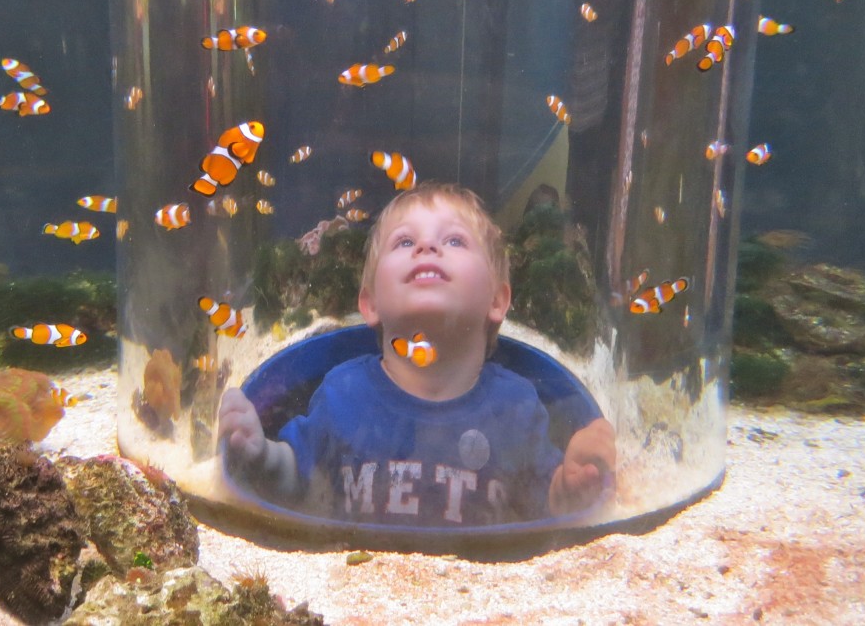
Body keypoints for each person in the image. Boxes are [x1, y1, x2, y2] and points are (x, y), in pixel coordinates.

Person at [218, 182, 616, 527]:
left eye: (455, 240)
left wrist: (570, 484)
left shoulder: (518, 408)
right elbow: (295, 479)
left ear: (498, 300)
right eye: (405, 242)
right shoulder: (341, 392)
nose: (427, 246)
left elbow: (544, 506)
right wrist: (258, 454)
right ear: (369, 303)